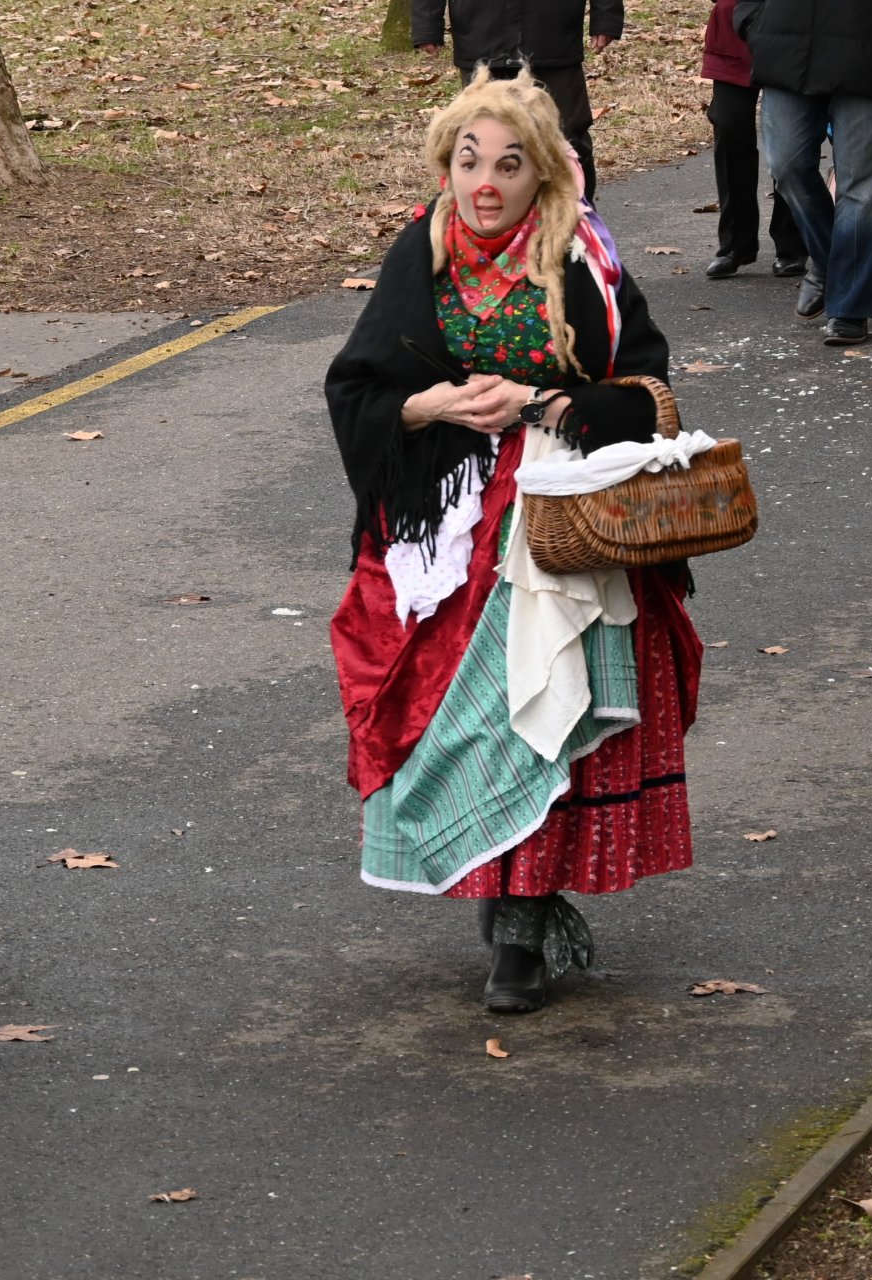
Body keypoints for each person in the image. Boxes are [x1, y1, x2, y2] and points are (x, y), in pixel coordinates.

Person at [325, 70, 702, 1014]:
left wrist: (542, 403)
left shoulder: (585, 258)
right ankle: (498, 889)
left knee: (539, 717)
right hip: (444, 529)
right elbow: (357, 389)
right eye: (467, 161)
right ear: (443, 166)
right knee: (452, 716)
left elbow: (648, 393)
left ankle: (523, 929)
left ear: (544, 177)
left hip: (558, 524)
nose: (484, 183)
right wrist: (433, 402)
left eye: (508, 165)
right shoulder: (424, 248)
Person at [736, 0, 872, 345]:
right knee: (786, 166)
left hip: (867, 53)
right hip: (785, 49)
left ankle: (850, 308)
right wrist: (754, 23)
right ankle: (830, 263)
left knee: (861, 187)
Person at [412, 0, 621, 200]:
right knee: (483, 143)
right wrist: (427, 23)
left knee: (566, 138)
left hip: (552, 36)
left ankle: (576, 222)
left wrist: (606, 16)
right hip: (480, 34)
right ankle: (491, 226)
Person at [702, 0, 807, 280]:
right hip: (733, 29)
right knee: (729, 126)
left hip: (792, 29)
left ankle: (792, 244)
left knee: (788, 138)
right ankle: (736, 244)